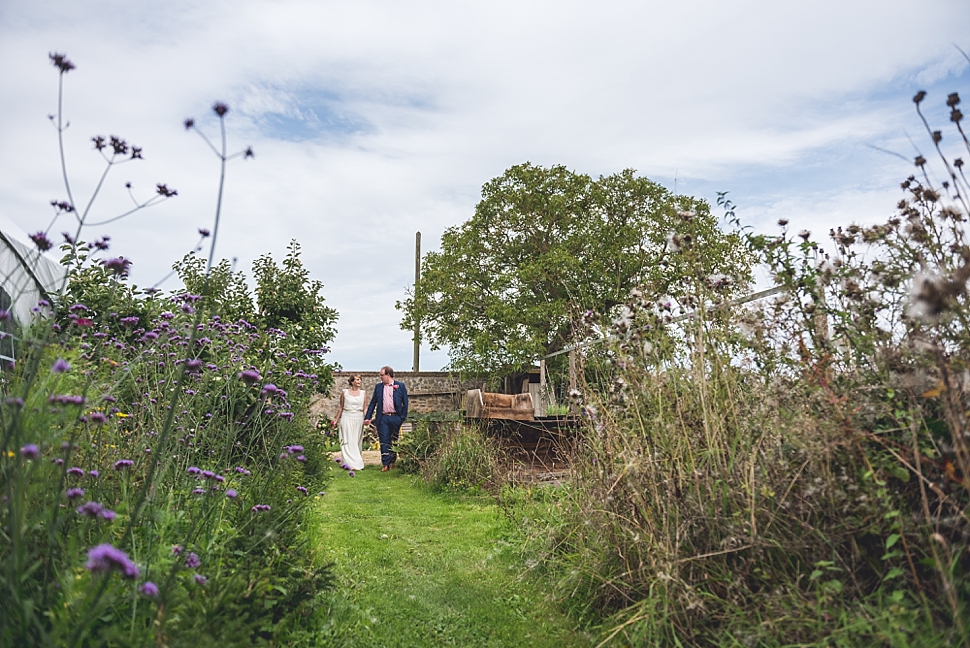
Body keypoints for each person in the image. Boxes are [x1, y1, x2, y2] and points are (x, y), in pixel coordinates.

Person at [364, 366, 408, 472]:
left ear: (388, 375)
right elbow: (373, 403)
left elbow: (405, 403)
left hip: (395, 417)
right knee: (384, 441)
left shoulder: (400, 386)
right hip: (383, 417)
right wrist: (368, 417)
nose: (380, 377)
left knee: (393, 440)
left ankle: (392, 461)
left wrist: (402, 417)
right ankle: (385, 463)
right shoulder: (379, 387)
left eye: (381, 375)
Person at [334, 374, 366, 470]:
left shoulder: (363, 393)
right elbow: (341, 407)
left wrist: (367, 419)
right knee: (348, 441)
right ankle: (349, 463)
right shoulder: (345, 393)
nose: (359, 381)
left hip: (358, 418)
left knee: (356, 441)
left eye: (360, 380)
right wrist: (336, 420)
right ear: (352, 382)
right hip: (346, 417)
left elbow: (365, 408)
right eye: (357, 380)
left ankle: (357, 462)